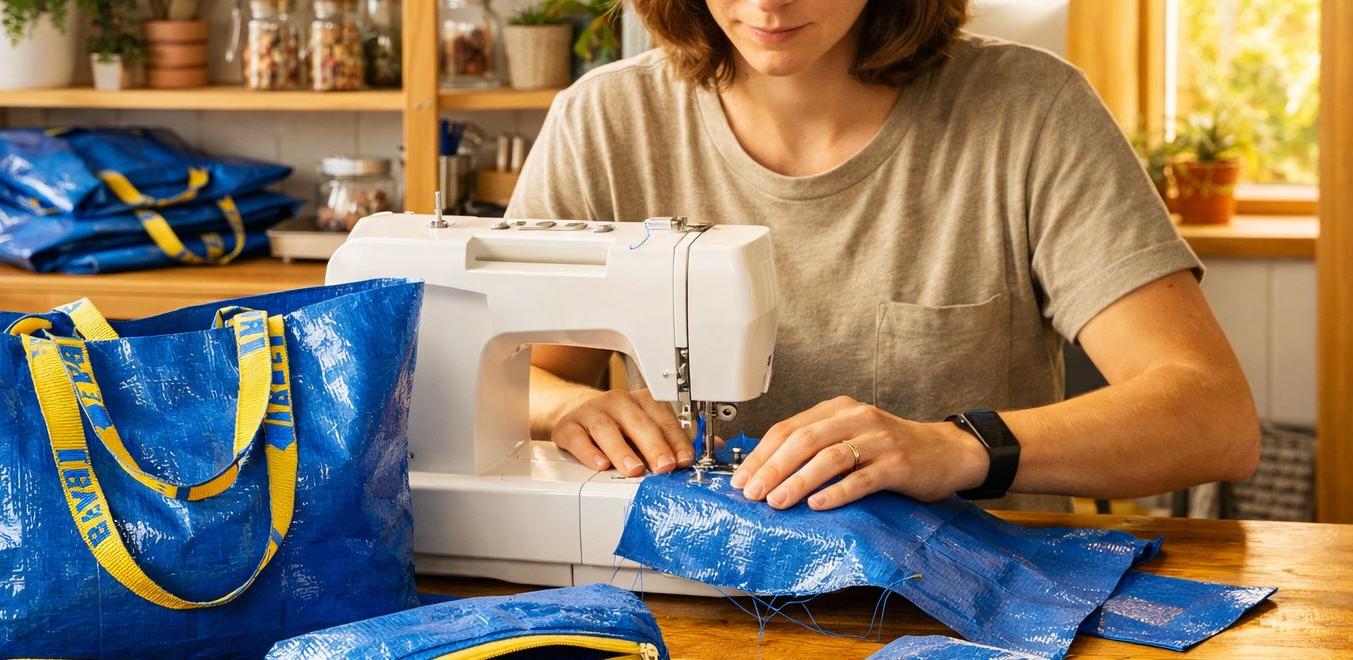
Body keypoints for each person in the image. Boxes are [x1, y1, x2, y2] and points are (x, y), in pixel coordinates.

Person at [510, 0, 1260, 513]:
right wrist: (571, 406)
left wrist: (958, 448)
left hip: (984, 638)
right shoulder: (605, 123)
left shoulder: (1032, 112)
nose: (767, 3)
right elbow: (521, 377)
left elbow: (1214, 417)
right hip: (702, 612)